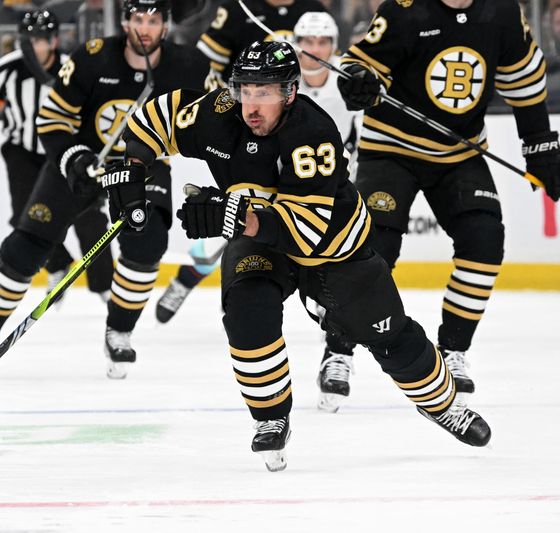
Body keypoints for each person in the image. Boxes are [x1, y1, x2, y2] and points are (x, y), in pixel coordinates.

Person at [102, 39, 492, 472]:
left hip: (334, 248)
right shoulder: (218, 113)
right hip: (260, 238)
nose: (251, 105)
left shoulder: (312, 134)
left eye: (264, 92)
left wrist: (231, 216)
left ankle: (441, 406)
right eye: (244, 90)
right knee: (246, 312)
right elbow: (155, 118)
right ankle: (270, 418)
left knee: (389, 336)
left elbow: (307, 232)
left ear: (289, 92)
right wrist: (133, 167)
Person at [0, 0, 215, 378]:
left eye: (154, 21)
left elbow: (215, 120)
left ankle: (119, 330)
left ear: (165, 26)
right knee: (25, 244)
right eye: (138, 20)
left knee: (147, 244)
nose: (145, 29)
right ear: (125, 22)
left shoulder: (191, 66)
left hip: (143, 168)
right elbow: (52, 119)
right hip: (83, 162)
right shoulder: (92, 58)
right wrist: (74, 158)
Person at [318, 0, 560, 412]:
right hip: (390, 149)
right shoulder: (404, 9)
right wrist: (359, 82)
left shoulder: (503, 12)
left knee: (484, 241)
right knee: (372, 250)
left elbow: (524, 82)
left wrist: (539, 148)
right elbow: (360, 67)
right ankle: (338, 349)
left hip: (459, 153)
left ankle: (453, 350)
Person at [155, 11, 361, 326]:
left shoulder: (347, 87)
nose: (315, 49)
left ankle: (324, 299)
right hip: (264, 175)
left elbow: (359, 132)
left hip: (314, 180)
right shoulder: (275, 81)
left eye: (323, 42)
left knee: (318, 238)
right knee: (222, 230)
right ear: (297, 43)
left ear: (334, 46)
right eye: (307, 41)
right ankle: (186, 278)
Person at [0, 9, 112, 319]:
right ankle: (59, 263)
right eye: (31, 39)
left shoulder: (71, 68)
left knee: (89, 219)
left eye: (42, 39)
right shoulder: (7, 68)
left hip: (64, 153)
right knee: (27, 217)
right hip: (21, 152)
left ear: (53, 40)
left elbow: (94, 112)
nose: (37, 46)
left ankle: (105, 285)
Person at [196, 0, 326, 83]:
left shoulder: (316, 10)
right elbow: (202, 67)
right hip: (246, 107)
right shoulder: (237, 9)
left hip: (301, 105)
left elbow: (328, 64)